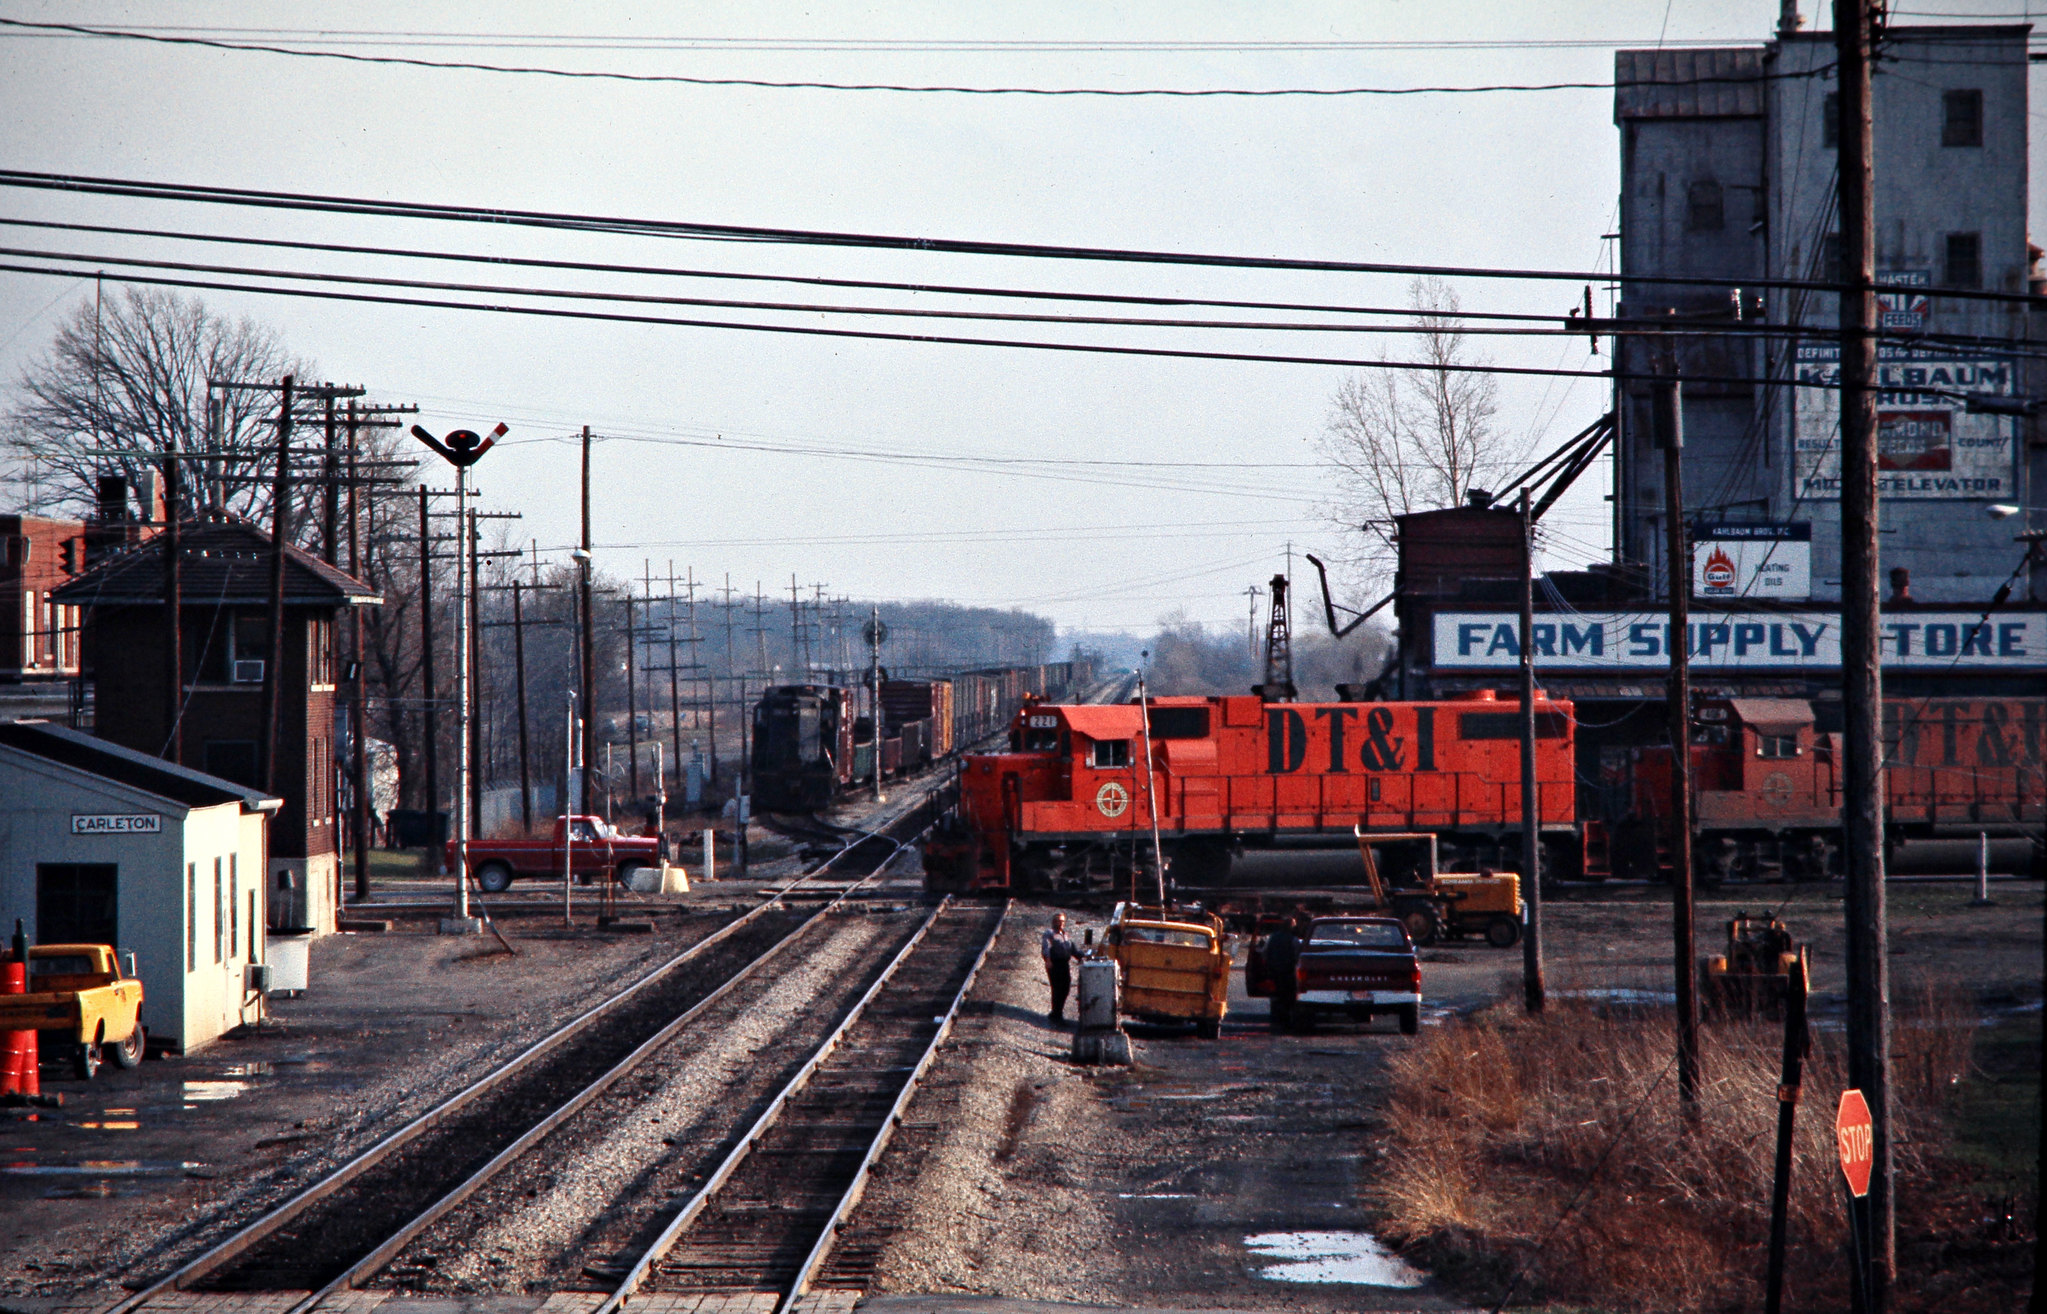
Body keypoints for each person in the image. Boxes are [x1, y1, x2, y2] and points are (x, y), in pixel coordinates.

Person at [1263, 915, 1302, 1033]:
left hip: (1275, 971)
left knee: (1277, 995)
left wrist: (1270, 964)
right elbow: (1298, 955)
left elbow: (1265, 952)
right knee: (1289, 996)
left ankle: (1277, 1019)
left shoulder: (1272, 937)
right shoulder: (1293, 940)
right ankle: (1287, 1021)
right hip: (1289, 971)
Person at [1040, 912, 1077, 1025]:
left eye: (1062, 921)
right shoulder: (1049, 934)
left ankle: (1058, 1012)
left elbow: (1073, 949)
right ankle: (1056, 1014)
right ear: (1053, 922)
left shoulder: (1065, 935)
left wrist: (1083, 956)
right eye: (1058, 921)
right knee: (1057, 989)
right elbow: (1046, 948)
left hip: (1065, 965)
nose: (1060, 923)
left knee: (1065, 988)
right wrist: (1048, 960)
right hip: (1055, 964)